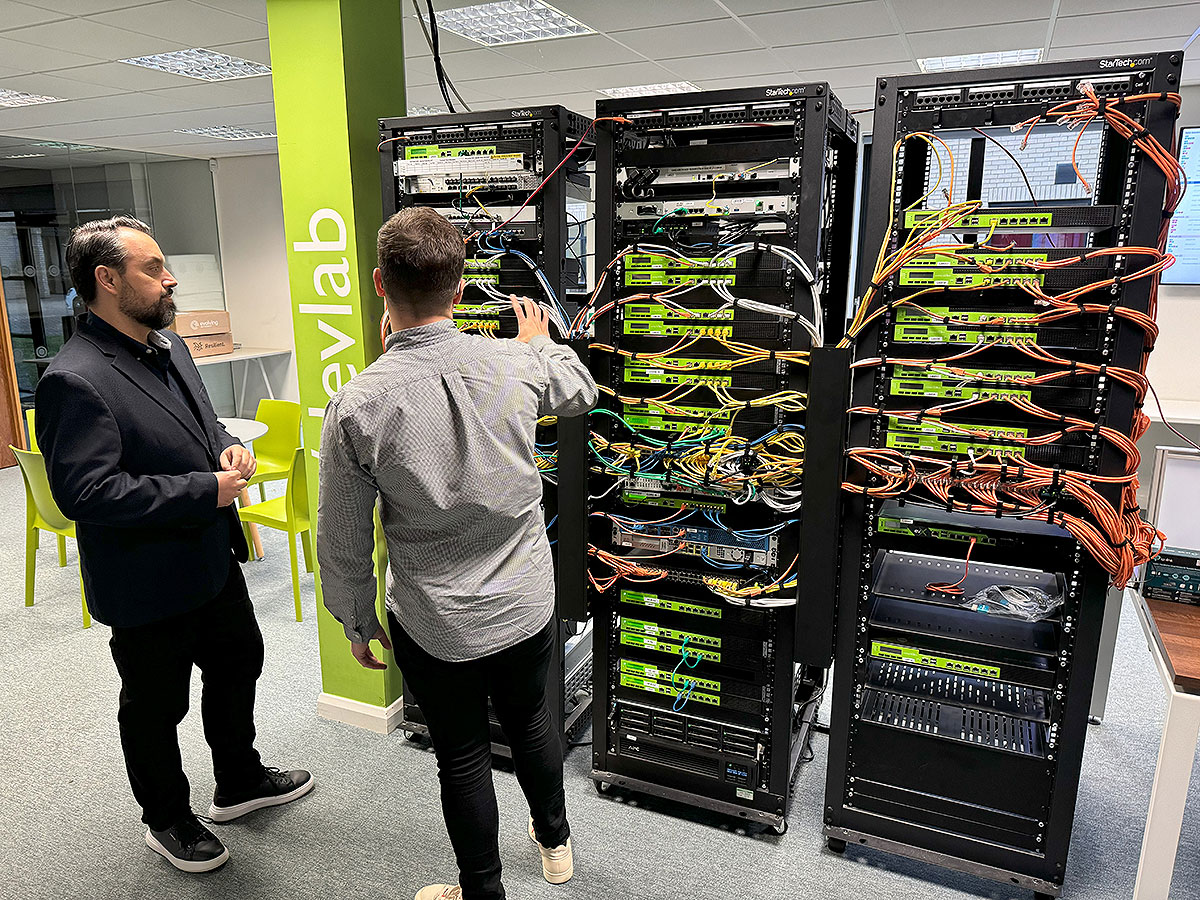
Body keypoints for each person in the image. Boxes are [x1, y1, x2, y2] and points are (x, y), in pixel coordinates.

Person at [318, 207, 597, 900]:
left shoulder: (358, 403)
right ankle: (555, 845)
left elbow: (343, 535)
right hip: (524, 603)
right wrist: (543, 342)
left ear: (379, 283)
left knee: (463, 755)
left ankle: (482, 892)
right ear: (461, 285)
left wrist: (356, 619)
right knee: (532, 722)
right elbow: (581, 392)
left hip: (434, 620)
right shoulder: (515, 364)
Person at [36, 216, 313, 874]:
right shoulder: (74, 378)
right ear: (107, 280)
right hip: (145, 578)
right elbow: (87, 494)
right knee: (158, 705)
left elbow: (204, 423)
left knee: (240, 662)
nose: (171, 279)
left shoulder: (171, 347)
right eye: (153, 268)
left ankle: (239, 780)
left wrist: (227, 447)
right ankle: (167, 819)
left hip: (211, 559)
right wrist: (204, 489)